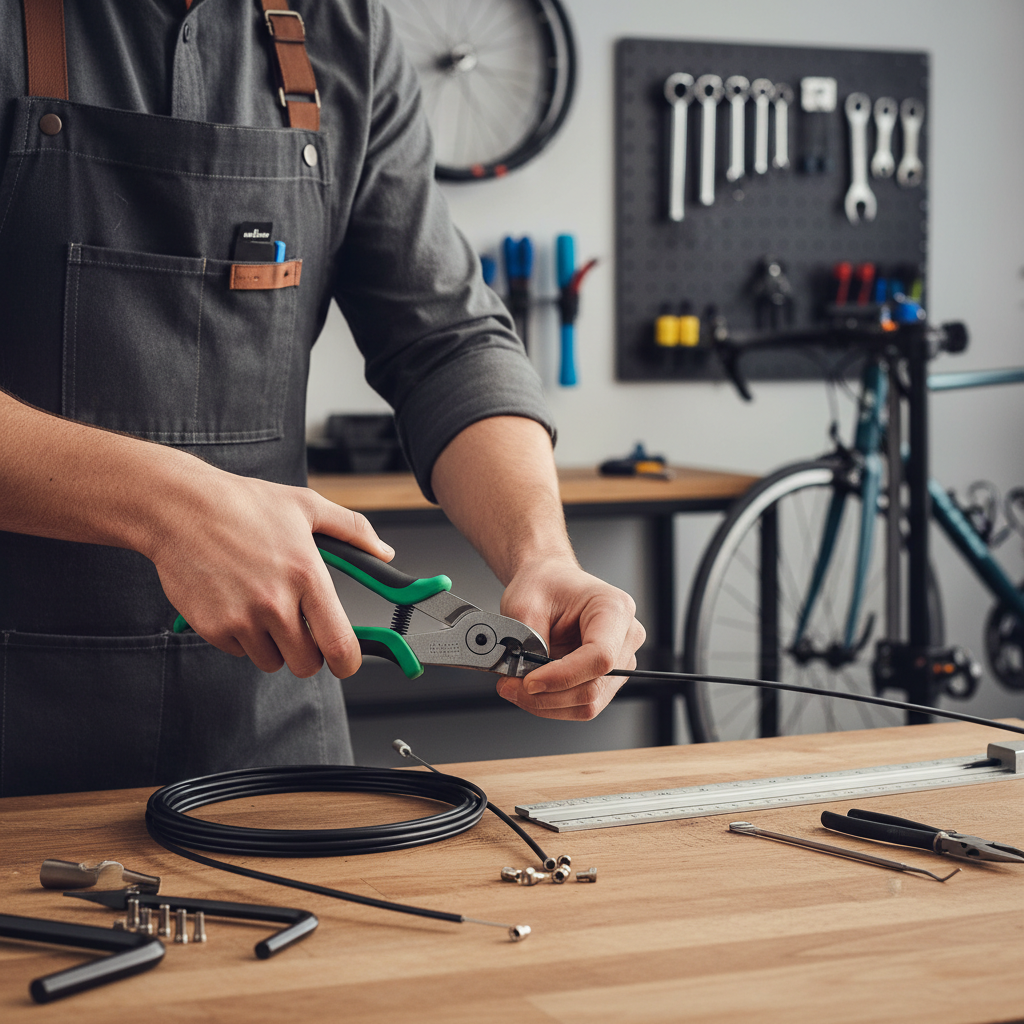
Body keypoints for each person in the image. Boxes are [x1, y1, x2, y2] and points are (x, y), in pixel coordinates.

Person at [0, 0, 644, 797]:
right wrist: (171, 505)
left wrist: (543, 555)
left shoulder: (346, 32)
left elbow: (447, 342)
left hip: (271, 729)